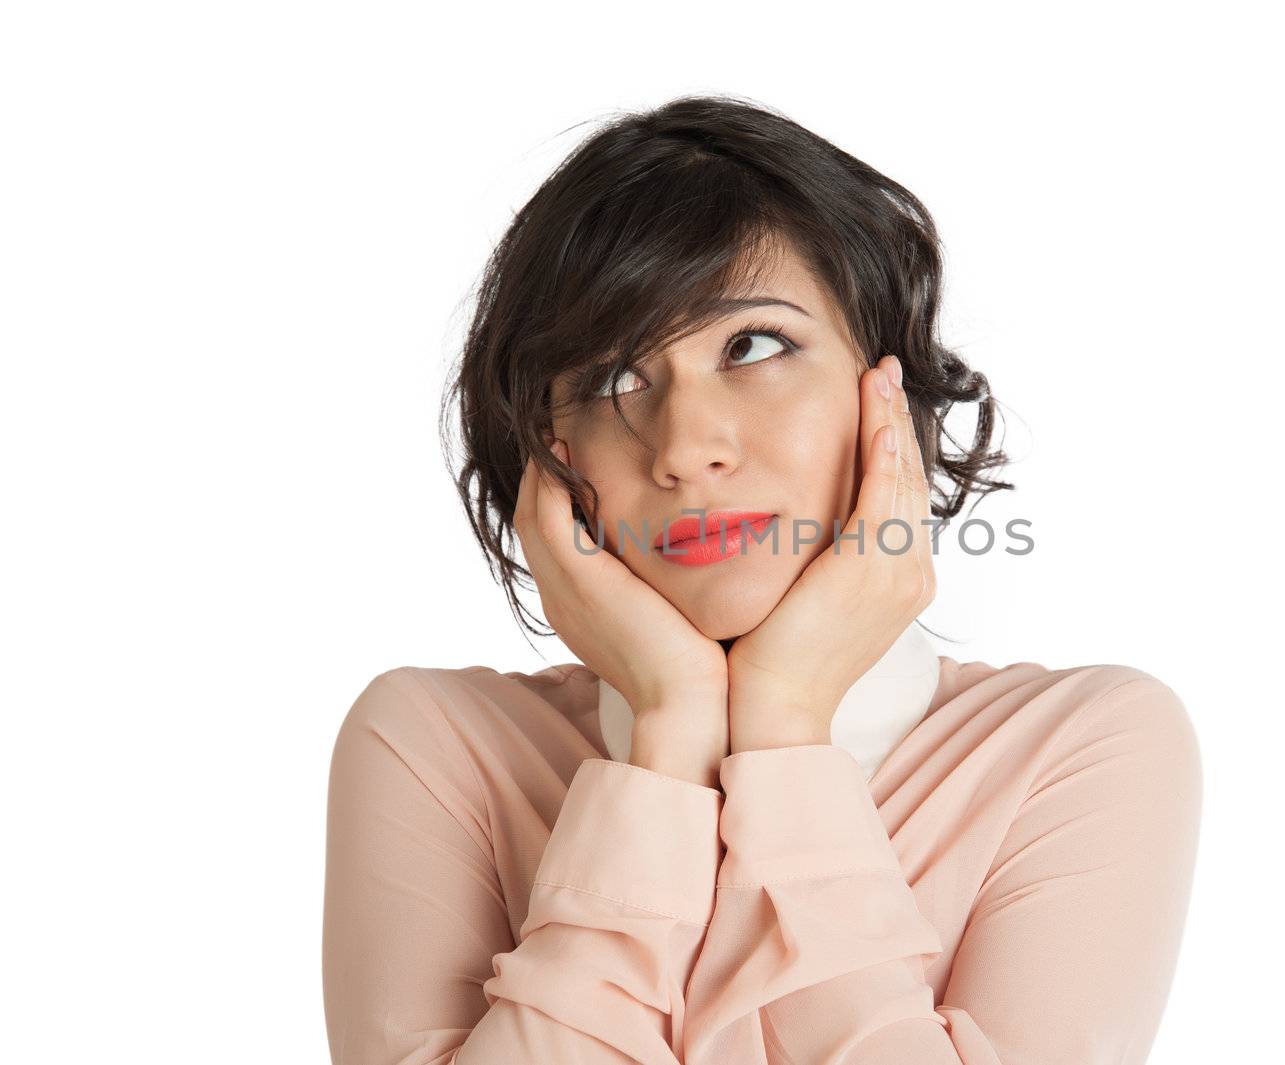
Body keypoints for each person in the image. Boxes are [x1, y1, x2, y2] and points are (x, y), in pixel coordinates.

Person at [322, 93, 1203, 1065]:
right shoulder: (441, 749)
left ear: (888, 394)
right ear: (548, 454)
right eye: (613, 378)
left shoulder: (1080, 746)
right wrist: (667, 736)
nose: (685, 448)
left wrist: (783, 727)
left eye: (752, 346)